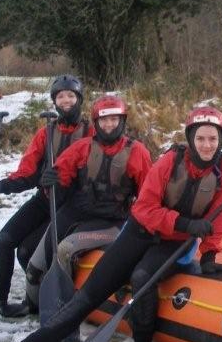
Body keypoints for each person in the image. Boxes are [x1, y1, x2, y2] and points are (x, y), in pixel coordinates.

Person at [0, 106, 222, 342]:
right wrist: (185, 222)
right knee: (89, 294)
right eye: (200, 138)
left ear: (221, 139)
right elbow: (143, 208)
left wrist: (209, 255)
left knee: (142, 277)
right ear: (190, 139)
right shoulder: (169, 162)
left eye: (213, 139)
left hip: (175, 243)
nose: (207, 145)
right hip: (139, 231)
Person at [0, 74, 91, 318]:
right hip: (45, 199)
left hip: (71, 206)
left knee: (26, 251)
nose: (66, 100)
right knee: (4, 240)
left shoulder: (91, 133)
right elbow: (26, 173)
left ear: (79, 99)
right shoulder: (45, 134)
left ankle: (36, 298)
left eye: (71, 95)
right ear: (54, 102)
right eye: (60, 96)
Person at [23, 95, 152, 307]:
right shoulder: (82, 147)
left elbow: (148, 196)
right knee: (34, 267)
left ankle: (64, 310)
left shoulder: (137, 152)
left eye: (114, 119)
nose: (109, 125)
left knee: (65, 250)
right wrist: (50, 181)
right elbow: (59, 178)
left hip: (112, 221)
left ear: (122, 121)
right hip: (76, 212)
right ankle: (32, 304)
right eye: (104, 120)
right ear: (96, 122)